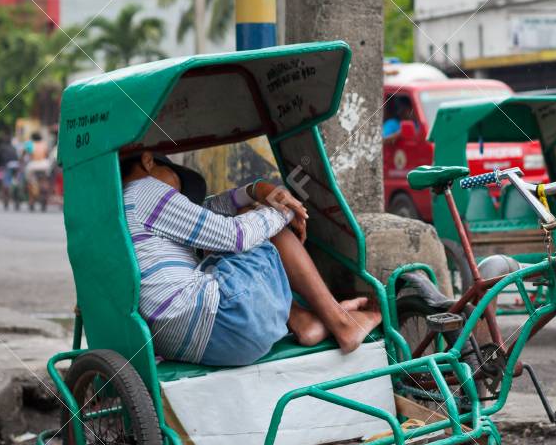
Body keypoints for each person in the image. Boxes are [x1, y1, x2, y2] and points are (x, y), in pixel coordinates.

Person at [121, 151, 380, 366]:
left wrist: (257, 189)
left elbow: (207, 210)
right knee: (252, 221)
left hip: (187, 343)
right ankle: (342, 323)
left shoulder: (121, 207)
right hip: (225, 319)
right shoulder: (144, 190)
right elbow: (236, 236)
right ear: (147, 161)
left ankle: (305, 320)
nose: (178, 197)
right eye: (177, 184)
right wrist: (283, 211)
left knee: (244, 216)